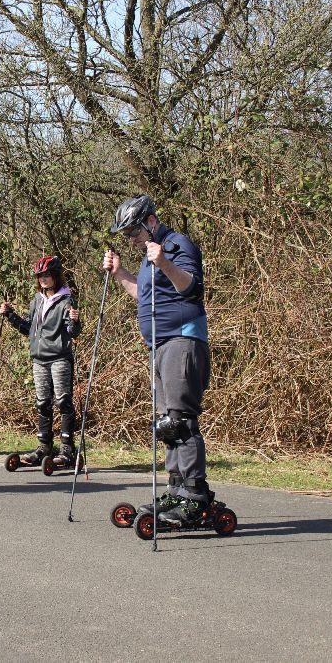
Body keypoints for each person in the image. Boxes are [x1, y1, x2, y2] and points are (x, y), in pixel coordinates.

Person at [103, 194, 213, 526]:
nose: (131, 239)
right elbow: (145, 294)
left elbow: (191, 287)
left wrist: (164, 262)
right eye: (126, 235)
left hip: (183, 338)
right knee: (166, 424)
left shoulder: (177, 244)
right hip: (159, 344)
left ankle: (195, 496)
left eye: (134, 231)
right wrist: (121, 272)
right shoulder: (149, 253)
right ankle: (176, 488)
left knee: (181, 420)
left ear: (151, 221)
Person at [0, 256, 82, 467]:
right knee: (42, 402)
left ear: (55, 276)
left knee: (63, 401)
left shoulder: (66, 300)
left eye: (47, 275)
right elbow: (29, 329)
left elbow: (73, 333)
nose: (43, 279)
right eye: (40, 276)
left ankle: (67, 450)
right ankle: (44, 446)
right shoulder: (36, 300)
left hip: (59, 358)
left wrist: (75, 320)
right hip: (39, 359)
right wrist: (10, 316)